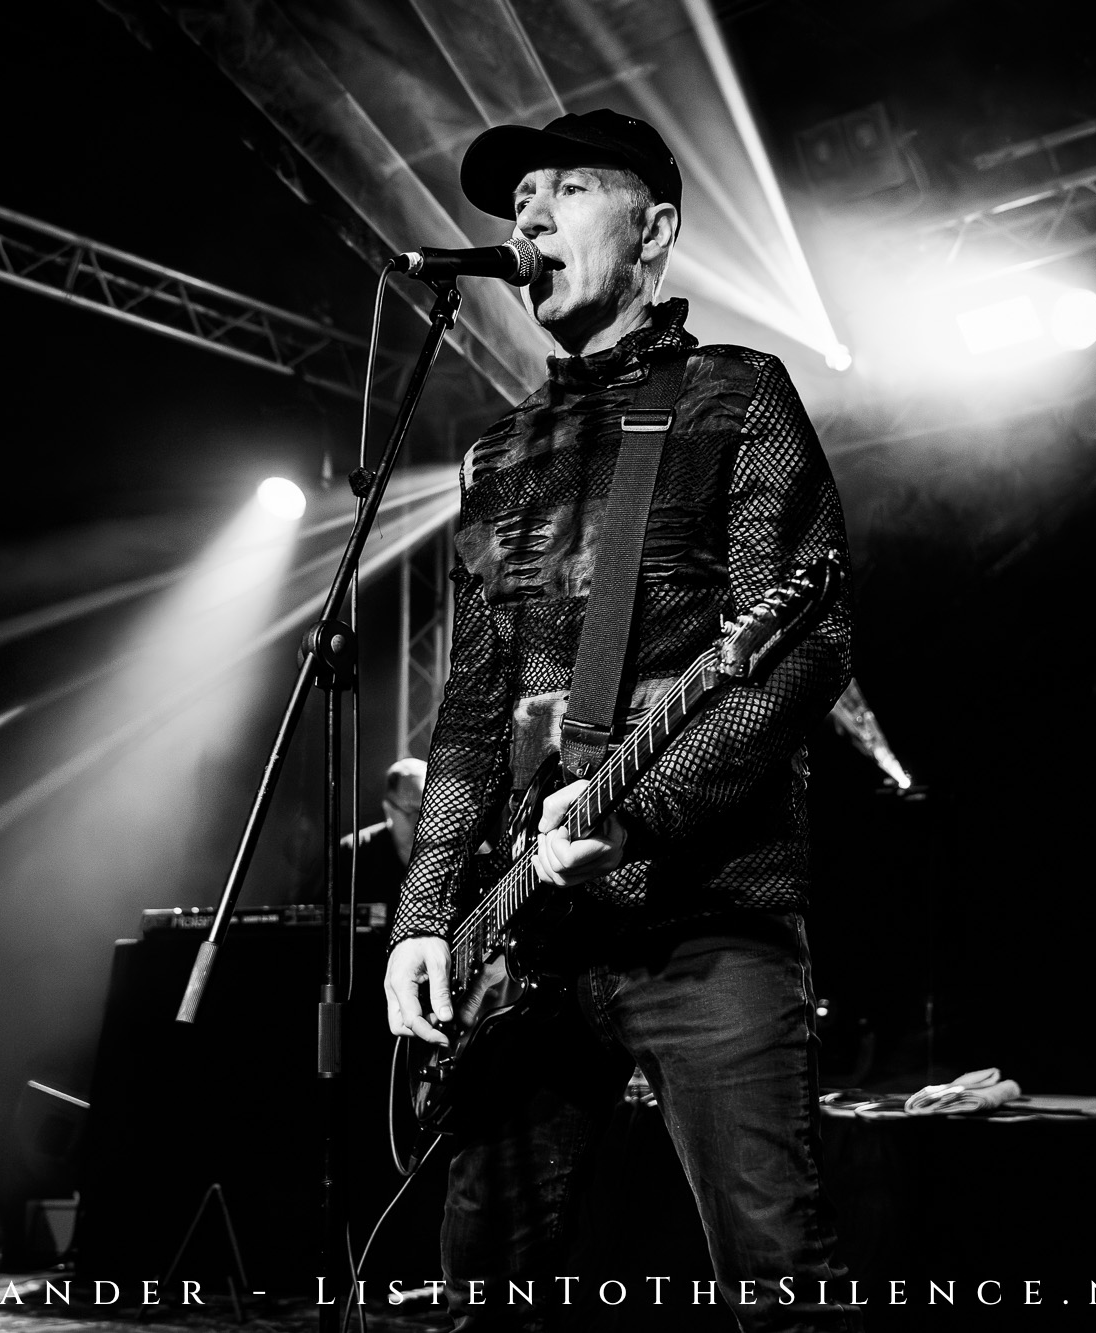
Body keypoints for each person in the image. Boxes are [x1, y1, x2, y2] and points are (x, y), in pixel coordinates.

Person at [382, 109, 857, 1331]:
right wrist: (426, 915)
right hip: (528, 942)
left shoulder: (734, 398)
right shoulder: (502, 454)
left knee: (777, 1284)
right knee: (477, 1288)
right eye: (517, 196)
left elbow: (795, 652)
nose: (526, 216)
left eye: (566, 188)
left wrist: (633, 812)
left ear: (651, 232)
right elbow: (475, 715)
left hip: (708, 920)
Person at [294, 756, 428, 903]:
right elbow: (318, 914)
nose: (423, 823)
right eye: (413, 812)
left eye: (430, 812)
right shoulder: (352, 854)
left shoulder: (452, 856)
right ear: (389, 808)